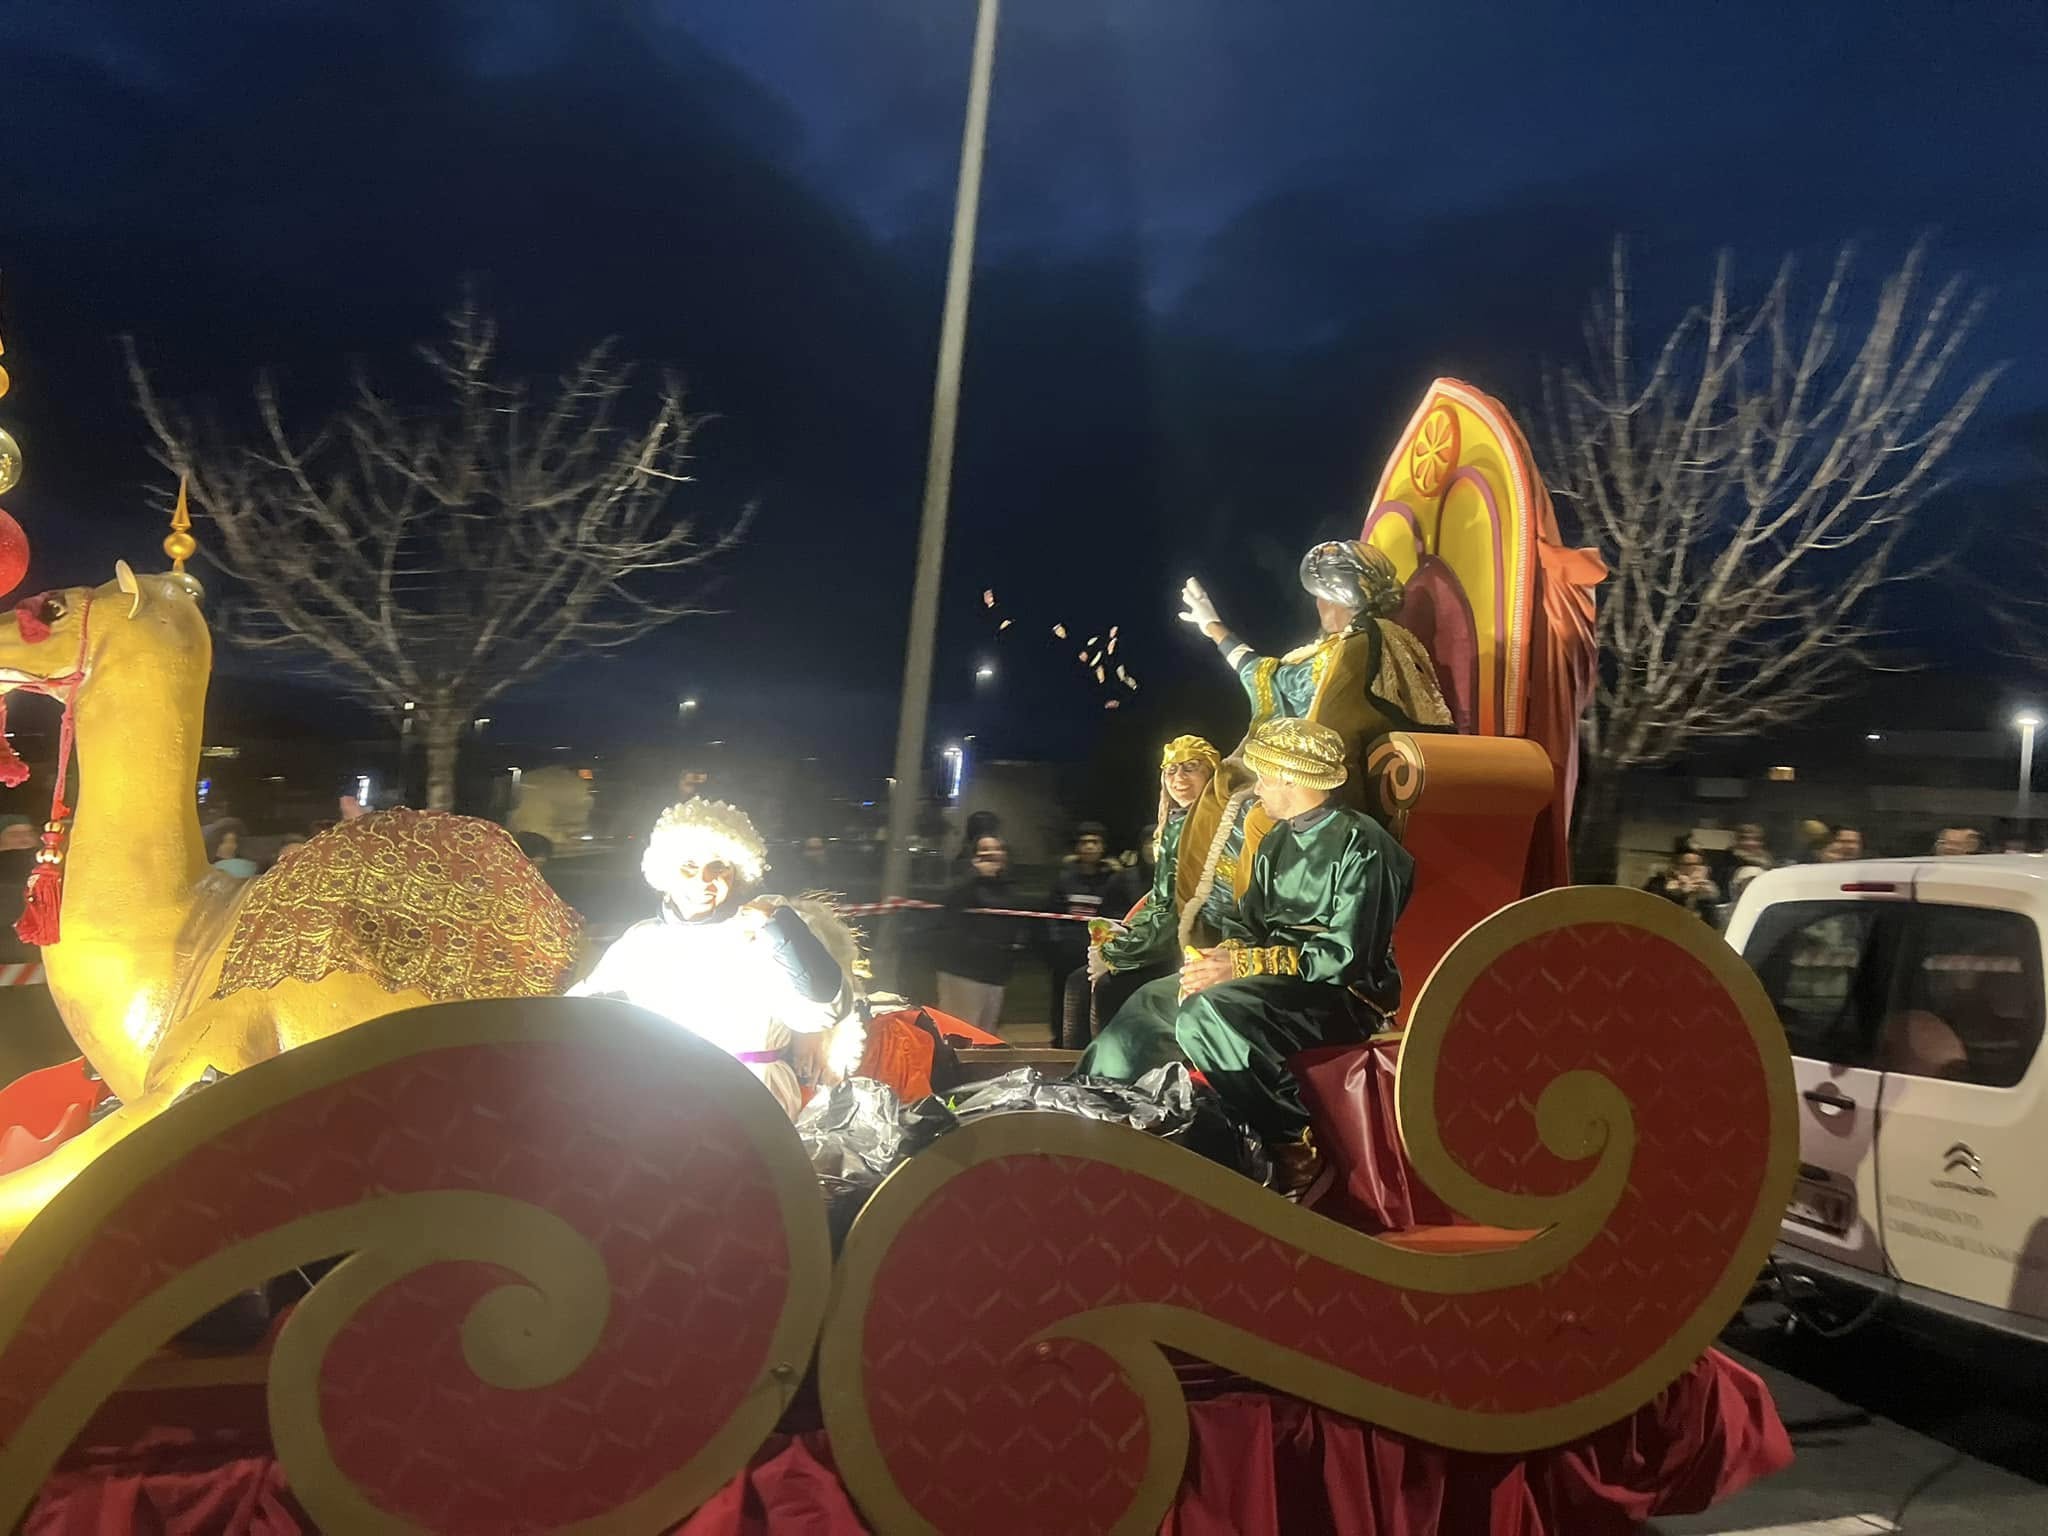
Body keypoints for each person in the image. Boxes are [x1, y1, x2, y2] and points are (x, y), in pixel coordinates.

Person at [1078, 717, 1413, 1198]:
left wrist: (1241, 967)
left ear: (1292, 778)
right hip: (1275, 982)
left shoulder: (1365, 846)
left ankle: (1294, 1147)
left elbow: (1348, 956)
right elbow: (1248, 926)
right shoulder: (1277, 838)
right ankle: (1097, 1108)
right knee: (1155, 999)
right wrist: (1217, 958)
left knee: (1206, 1014)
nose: (1258, 788)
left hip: (1342, 995)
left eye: (1265, 775)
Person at [569, 798, 848, 1119]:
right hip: (660, 1096)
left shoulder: (758, 934)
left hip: (750, 1099)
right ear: (664, 871)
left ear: (737, 872)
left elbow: (820, 1009)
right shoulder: (642, 939)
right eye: (688, 865)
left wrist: (781, 929)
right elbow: (579, 1008)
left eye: (718, 866)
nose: (703, 879)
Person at [1178, 539, 1451, 805]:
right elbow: (1270, 676)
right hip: (1308, 771)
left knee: (1231, 798)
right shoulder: (1340, 645)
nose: (1318, 605)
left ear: (1340, 597)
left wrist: (1304, 785)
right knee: (1224, 786)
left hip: (1324, 781)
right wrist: (1213, 627)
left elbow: (1335, 721)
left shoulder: (1361, 643)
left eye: (1321, 597)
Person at [1074, 735, 1252, 1047]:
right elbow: (1161, 900)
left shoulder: (1224, 825)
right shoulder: (1173, 824)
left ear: (1212, 773)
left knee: (1107, 986)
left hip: (1208, 943)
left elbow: (1184, 912)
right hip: (1170, 936)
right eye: (1171, 771)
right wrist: (1125, 935)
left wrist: (1117, 953)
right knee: (1079, 982)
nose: (1178, 778)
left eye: (1190, 768)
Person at [1042, 821, 1133, 1037]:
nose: (1090, 847)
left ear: (1103, 847)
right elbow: (1049, 914)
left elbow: (1120, 915)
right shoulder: (1064, 879)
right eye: (1084, 842)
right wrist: (1056, 946)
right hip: (1067, 955)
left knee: (1097, 1002)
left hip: (1097, 955)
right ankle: (1060, 1045)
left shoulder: (1113, 880)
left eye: (1095, 842)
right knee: (1063, 1003)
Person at [934, 834, 1020, 1031]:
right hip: (963, 970)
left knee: (985, 1033)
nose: (991, 854)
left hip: (995, 972)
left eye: (996, 849)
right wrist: (975, 875)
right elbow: (949, 905)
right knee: (960, 1031)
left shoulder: (1007, 884)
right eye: (984, 850)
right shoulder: (962, 878)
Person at [1644, 842, 1721, 922]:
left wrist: (1709, 900)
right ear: (1675, 867)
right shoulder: (1658, 884)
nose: (1694, 869)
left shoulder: (1707, 888)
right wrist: (1674, 894)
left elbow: (1715, 923)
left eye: (1699, 864)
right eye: (1688, 865)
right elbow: (1646, 910)